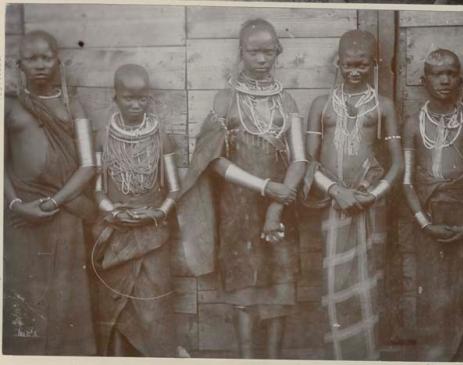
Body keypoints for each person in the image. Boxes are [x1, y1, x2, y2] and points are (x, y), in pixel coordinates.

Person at [177, 18, 306, 358]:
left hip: (280, 211)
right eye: (254, 52)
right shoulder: (225, 100)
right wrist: (266, 187)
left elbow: (301, 159)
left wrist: (277, 206)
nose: (262, 59)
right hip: (238, 210)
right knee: (244, 293)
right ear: (241, 53)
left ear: (278, 51)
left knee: (279, 290)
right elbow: (211, 160)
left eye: (269, 51)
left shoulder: (287, 101)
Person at [303, 30, 403, 360]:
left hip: (368, 204)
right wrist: (334, 190)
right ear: (338, 63)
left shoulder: (383, 106)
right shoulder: (321, 105)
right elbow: (307, 162)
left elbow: (397, 164)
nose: (354, 71)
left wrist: (374, 195)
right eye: (348, 64)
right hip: (333, 204)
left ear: (374, 64)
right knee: (335, 282)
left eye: (362, 64)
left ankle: (367, 355)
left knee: (368, 281)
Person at [3, 30, 96, 355]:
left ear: (58, 61)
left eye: (46, 58)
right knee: (25, 296)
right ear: (19, 64)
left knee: (65, 300)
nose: (40, 65)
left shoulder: (75, 106)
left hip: (64, 212)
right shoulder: (9, 107)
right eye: (32, 58)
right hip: (20, 218)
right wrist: (15, 204)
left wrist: (54, 201)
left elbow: (88, 166)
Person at [402, 49, 463, 361]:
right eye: (436, 73)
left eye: (451, 73)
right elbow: (406, 182)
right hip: (427, 221)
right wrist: (425, 223)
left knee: (460, 294)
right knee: (432, 298)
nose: (444, 79)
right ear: (423, 79)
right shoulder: (413, 124)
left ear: (460, 79)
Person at [91, 64, 183, 357]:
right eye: (128, 98)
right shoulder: (103, 138)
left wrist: (158, 213)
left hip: (153, 235)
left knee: (153, 309)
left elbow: (175, 189)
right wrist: (113, 212)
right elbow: (97, 189)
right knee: (116, 306)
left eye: (141, 98)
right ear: (114, 96)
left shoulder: (162, 137)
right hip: (116, 234)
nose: (135, 104)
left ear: (149, 98)